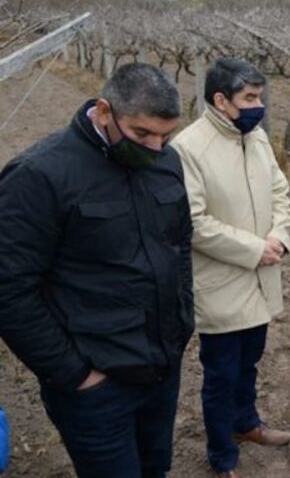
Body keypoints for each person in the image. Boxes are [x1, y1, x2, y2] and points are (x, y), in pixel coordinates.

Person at [0, 63, 194, 478]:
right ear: (104, 112)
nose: (156, 147)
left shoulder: (167, 161)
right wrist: (76, 374)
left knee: (155, 470)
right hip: (96, 388)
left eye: (166, 136)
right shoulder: (39, 176)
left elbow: (178, 245)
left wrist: (183, 322)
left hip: (161, 370)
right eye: (142, 134)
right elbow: (9, 290)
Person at [171, 58, 290, 478]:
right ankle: (222, 456)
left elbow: (279, 189)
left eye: (260, 96)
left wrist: (280, 235)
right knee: (221, 374)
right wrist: (255, 249)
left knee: (249, 362)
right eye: (250, 98)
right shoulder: (189, 148)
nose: (259, 106)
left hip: (261, 275)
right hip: (221, 282)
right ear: (221, 100)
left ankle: (246, 424)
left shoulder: (255, 136)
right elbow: (193, 222)